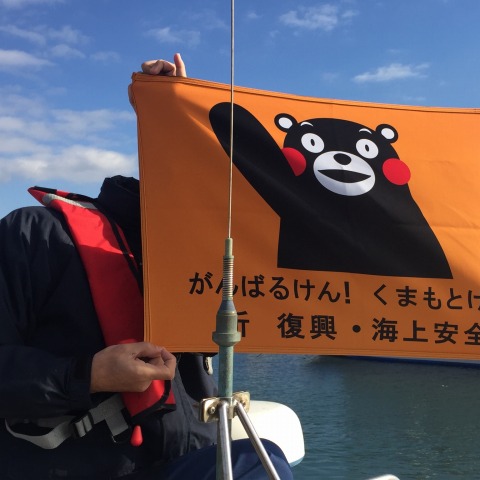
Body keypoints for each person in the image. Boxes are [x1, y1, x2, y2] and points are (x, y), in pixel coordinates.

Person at [0, 54, 293, 479]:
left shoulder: (209, 255)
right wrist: (87, 376)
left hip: (186, 462)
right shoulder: (33, 234)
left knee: (261, 462)